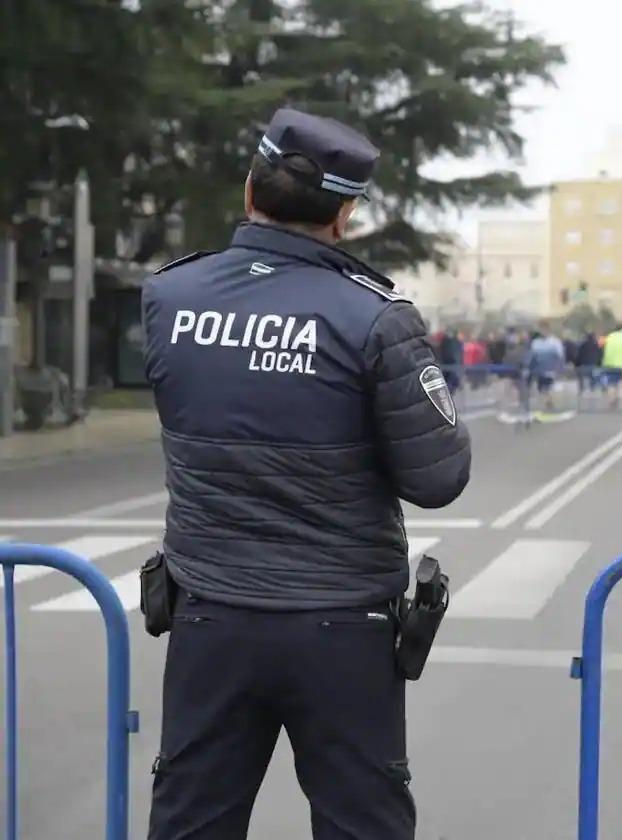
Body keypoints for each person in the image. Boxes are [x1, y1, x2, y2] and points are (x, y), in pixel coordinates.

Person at [140, 107, 471, 839]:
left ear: (249, 189)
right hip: (342, 628)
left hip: (209, 615)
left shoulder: (169, 299)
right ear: (344, 215)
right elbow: (439, 477)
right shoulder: (376, 319)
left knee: (192, 822)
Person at [601, 324, 622, 405]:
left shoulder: (609, 337)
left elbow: (602, 347)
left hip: (609, 363)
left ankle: (612, 398)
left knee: (611, 383)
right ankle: (617, 397)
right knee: (620, 382)